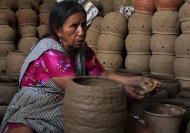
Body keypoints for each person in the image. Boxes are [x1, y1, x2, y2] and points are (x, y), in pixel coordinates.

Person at [0, 1, 164, 133]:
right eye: (73, 26)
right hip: (36, 105)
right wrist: (122, 90)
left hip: (67, 102)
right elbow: (79, 90)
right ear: (58, 29)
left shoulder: (82, 51)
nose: (81, 32)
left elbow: (103, 76)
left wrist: (136, 80)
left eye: (84, 25)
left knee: (118, 117)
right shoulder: (49, 51)